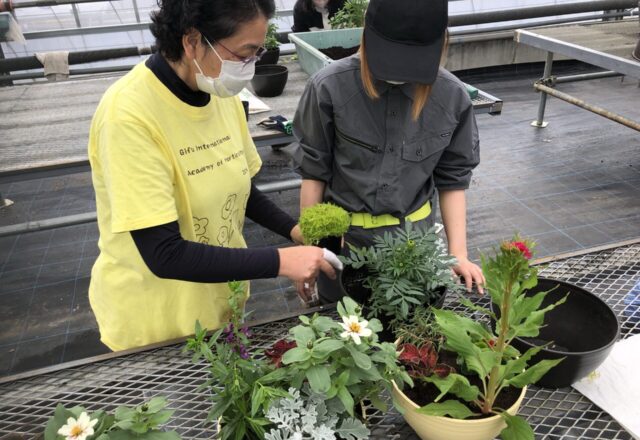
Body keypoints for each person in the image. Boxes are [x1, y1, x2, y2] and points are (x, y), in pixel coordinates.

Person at [87, 0, 336, 351]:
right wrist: (282, 261)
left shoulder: (219, 91)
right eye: (244, 53)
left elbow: (239, 187)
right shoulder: (128, 117)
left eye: (257, 53)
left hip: (221, 304)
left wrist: (294, 231)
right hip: (160, 327)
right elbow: (164, 253)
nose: (249, 66)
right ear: (192, 42)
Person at [293, 0, 486, 304]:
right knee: (344, 333)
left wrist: (457, 254)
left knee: (411, 335)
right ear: (366, 34)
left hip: (413, 247)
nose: (399, 73)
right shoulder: (329, 88)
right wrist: (312, 247)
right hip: (346, 246)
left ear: (440, 43)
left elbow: (453, 179)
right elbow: (313, 171)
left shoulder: (452, 98)